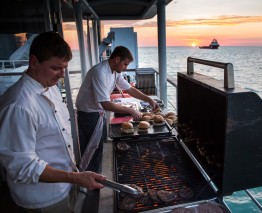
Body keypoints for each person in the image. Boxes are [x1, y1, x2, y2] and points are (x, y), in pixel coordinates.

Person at [0, 32, 106, 213]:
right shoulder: (19, 105)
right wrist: (75, 177)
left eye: (64, 68)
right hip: (43, 197)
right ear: (34, 62)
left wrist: (73, 177)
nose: (62, 75)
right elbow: (22, 167)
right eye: (56, 68)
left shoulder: (50, 87)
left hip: (65, 184)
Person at [76, 46, 160, 172]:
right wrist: (131, 110)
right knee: (92, 148)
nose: (126, 68)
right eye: (125, 64)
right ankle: (88, 181)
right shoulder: (100, 72)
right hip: (88, 114)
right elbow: (106, 104)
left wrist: (149, 99)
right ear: (117, 60)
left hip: (97, 112)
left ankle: (96, 175)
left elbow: (130, 89)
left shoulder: (115, 71)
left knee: (100, 146)